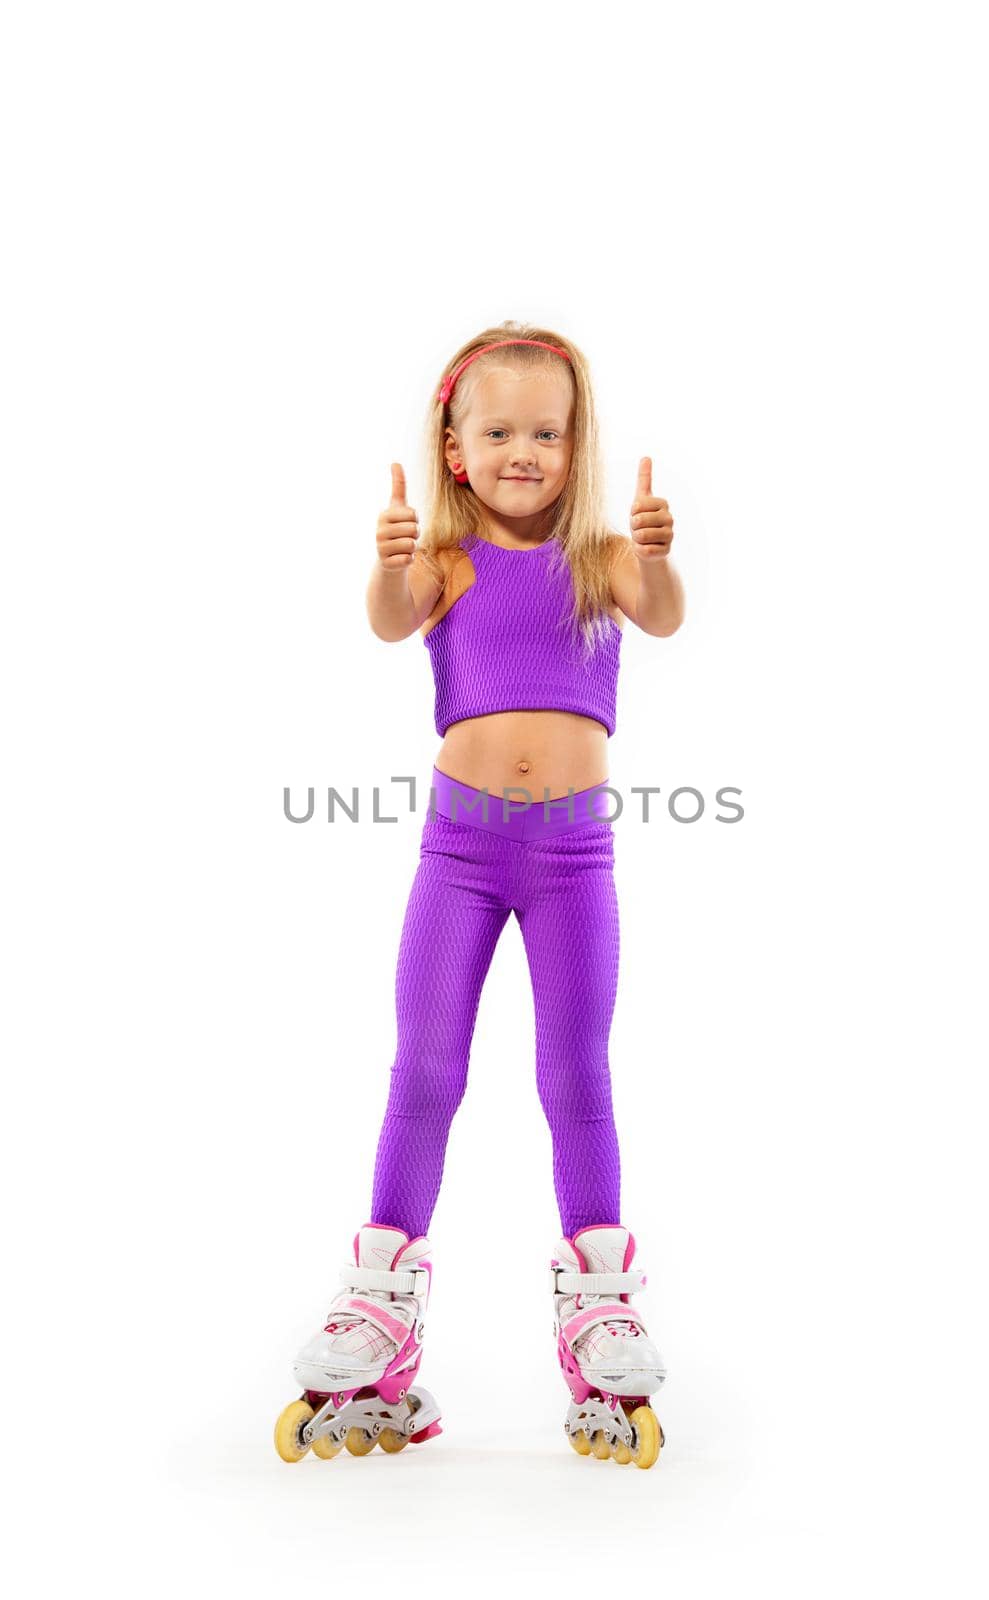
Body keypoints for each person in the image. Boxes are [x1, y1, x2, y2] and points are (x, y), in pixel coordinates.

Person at [274, 322, 684, 1470]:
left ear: (574, 443)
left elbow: (658, 613)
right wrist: (389, 562)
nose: (523, 449)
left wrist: (654, 554)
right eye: (497, 429)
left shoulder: (601, 555)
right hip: (458, 852)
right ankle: (379, 1299)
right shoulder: (443, 562)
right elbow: (390, 619)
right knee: (426, 1066)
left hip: (569, 858)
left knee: (573, 1069)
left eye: (545, 432)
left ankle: (599, 1297)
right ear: (453, 446)